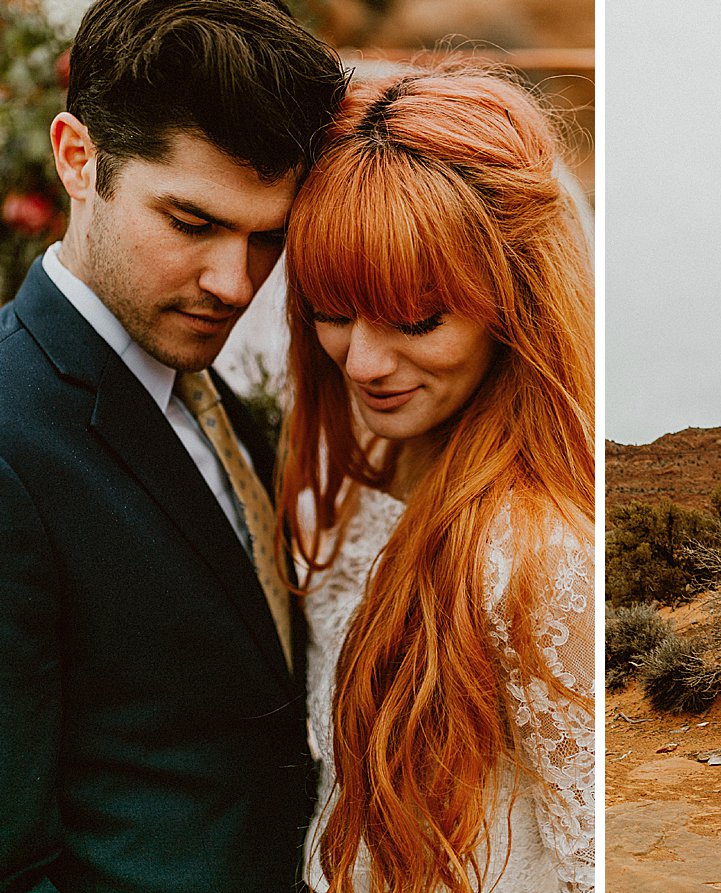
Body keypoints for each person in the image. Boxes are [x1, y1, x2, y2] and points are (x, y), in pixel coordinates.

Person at [0, 1, 347, 889]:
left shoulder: (213, 395)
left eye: (267, 236)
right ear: (79, 159)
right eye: (191, 223)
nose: (235, 284)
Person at [277, 64, 595, 893]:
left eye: (418, 317)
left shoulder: (539, 551)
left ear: (514, 301)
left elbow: (587, 859)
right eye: (333, 309)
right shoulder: (356, 479)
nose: (365, 362)